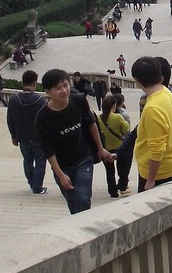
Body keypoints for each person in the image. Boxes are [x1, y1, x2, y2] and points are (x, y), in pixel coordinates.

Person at [35, 68, 114, 214]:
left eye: (65, 85)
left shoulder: (79, 100)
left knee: (82, 198)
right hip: (62, 164)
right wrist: (60, 174)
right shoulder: (43, 117)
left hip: (83, 158)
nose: (64, 91)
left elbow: (91, 123)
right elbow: (47, 149)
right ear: (47, 92)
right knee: (72, 201)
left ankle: (84, 225)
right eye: (58, 88)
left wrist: (100, 148)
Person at [131, 57, 172, 192]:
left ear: (137, 81)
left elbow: (157, 148)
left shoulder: (152, 108)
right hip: (169, 165)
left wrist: (150, 180)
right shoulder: (166, 93)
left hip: (159, 173)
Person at [6, 70, 49, 195]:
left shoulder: (13, 100)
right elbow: (47, 120)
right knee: (40, 162)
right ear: (35, 83)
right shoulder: (41, 100)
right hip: (38, 138)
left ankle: (32, 183)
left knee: (27, 161)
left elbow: (10, 119)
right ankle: (37, 187)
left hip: (22, 137)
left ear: (22, 82)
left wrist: (13, 135)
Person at [98, 94, 130, 198]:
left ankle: (112, 192)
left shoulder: (98, 118)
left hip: (105, 149)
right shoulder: (118, 117)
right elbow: (126, 129)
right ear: (114, 106)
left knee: (109, 171)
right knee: (122, 168)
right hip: (118, 147)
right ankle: (122, 186)